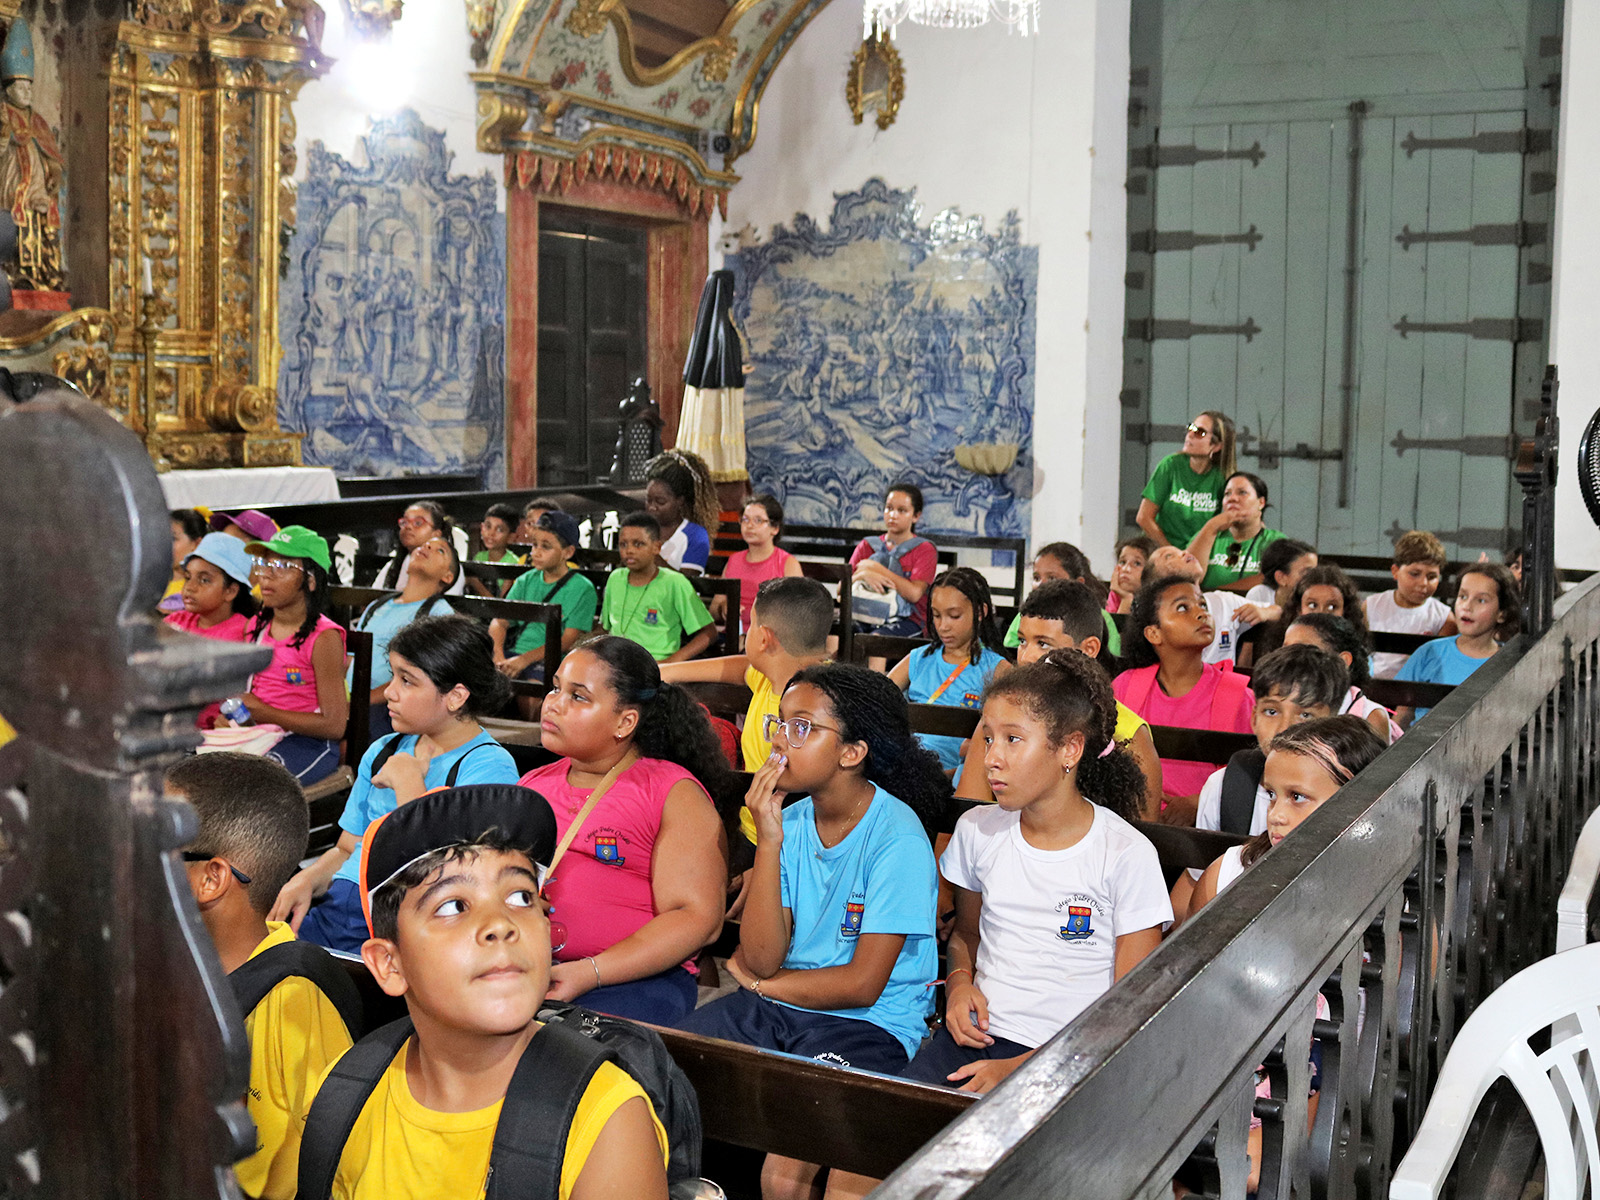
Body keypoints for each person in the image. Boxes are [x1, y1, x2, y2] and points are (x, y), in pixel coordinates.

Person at [298, 786, 670, 1200]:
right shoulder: (346, 1096)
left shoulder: (604, 1118)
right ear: (390, 964)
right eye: (453, 906)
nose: (500, 923)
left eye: (521, 897)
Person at [675, 664, 946, 1200]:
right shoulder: (792, 822)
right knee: (673, 1068)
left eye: (802, 727)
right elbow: (762, 954)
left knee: (783, 1175)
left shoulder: (897, 838)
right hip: (788, 1003)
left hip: (869, 1023)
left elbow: (861, 985)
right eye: (780, 723)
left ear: (852, 752)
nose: (780, 739)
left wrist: (761, 986)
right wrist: (769, 840)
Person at [904, 651, 1169, 1095]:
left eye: (1013, 739)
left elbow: (1128, 1010)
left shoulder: (1125, 854)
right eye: (988, 739)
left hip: (1077, 1055)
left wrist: (1017, 1070)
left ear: (1069, 749)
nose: (992, 758)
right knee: (884, 1129)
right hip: (977, 1038)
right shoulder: (977, 830)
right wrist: (959, 984)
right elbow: (966, 936)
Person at [1185, 716, 1386, 1192]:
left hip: (1323, 1073)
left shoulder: (1384, 893)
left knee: (1252, 1166)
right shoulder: (1228, 874)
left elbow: (1378, 1036)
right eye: (1271, 795)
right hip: (1225, 1056)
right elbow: (1189, 986)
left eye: (1298, 797)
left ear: (1360, 801)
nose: (1275, 814)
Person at [167, 753, 356, 1200]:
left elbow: (338, 1158)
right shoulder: (166, 954)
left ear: (211, 879)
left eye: (150, 846)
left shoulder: (295, 1000)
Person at [272, 615, 519, 952]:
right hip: (342, 907)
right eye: (393, 676)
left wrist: (409, 786)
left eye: (407, 681)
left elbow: (452, 874)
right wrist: (307, 879)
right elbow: (347, 848)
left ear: (456, 696)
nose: (389, 692)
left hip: (405, 923)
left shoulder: (487, 767)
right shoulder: (383, 750)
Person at [520, 636, 735, 1023]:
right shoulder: (533, 784)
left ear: (625, 722)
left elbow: (695, 918)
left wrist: (590, 972)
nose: (553, 703)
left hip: (635, 981)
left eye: (578, 696)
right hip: (529, 966)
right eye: (555, 688)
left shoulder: (670, 791)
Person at [957, 580, 1164, 819]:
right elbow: (968, 813)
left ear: (1088, 649)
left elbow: (1139, 829)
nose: (1026, 657)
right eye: (1022, 641)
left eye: (1043, 644)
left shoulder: (1129, 734)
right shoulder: (1000, 717)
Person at [1172, 644, 1349, 922]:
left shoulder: (1347, 787)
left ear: (1334, 721)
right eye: (1271, 712)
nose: (1286, 728)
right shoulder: (1226, 786)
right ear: (1253, 718)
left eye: (1305, 715)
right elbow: (1196, 883)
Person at [659, 575, 833, 839]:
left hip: (788, 842)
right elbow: (743, 668)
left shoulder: (819, 708)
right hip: (753, 829)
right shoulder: (772, 674)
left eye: (750, 626)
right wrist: (668, 671)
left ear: (764, 639)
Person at [1112, 572, 1255, 823]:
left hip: (1210, 832)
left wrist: (1200, 802)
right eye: (1182, 607)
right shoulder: (1125, 687)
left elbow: (1252, 776)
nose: (1201, 613)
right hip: (1130, 824)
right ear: (1154, 634)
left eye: (1202, 605)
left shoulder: (1239, 696)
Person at [240, 526, 349, 786]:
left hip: (309, 743)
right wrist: (239, 717)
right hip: (262, 732)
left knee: (256, 784)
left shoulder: (323, 638)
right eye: (265, 564)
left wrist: (265, 713)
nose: (267, 574)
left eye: (282, 566)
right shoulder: (255, 627)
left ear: (310, 580)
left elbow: (335, 726)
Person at [891, 567, 1011, 778]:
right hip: (906, 766)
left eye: (954, 616)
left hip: (962, 776)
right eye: (936, 615)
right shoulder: (918, 659)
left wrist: (955, 774)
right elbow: (877, 697)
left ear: (980, 612)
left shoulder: (997, 669)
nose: (943, 626)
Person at [350, 534, 459, 739]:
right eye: (425, 544)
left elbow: (423, 676)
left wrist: (363, 700)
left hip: (389, 706)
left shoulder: (439, 614)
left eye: (440, 550)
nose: (427, 547)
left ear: (447, 576)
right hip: (351, 698)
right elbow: (350, 659)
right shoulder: (377, 605)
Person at [1395, 563, 1520, 728]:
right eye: (1462, 596)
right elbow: (1403, 713)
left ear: (1502, 614)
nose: (1467, 607)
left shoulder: (1509, 663)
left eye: (1481, 600)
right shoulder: (1429, 652)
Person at [492, 510, 599, 692]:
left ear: (568, 552)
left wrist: (523, 660)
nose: (536, 552)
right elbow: (499, 622)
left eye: (546, 547)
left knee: (530, 695)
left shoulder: (583, 589)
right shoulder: (526, 580)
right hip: (513, 654)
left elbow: (567, 641)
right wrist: (499, 657)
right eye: (534, 545)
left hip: (551, 659)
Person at [600, 512, 715, 663]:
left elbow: (709, 632)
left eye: (638, 544)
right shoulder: (615, 578)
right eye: (623, 544)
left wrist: (671, 663)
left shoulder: (674, 582)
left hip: (657, 665)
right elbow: (604, 627)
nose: (629, 550)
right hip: (616, 664)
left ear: (657, 547)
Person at [1282, 613, 1402, 744]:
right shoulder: (1279, 700)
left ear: (1342, 661)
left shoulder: (1370, 717)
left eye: (1301, 651)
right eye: (1285, 649)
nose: (1288, 658)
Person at [1142, 544, 1262, 666]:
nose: (1184, 552)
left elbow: (1271, 610)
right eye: (1169, 556)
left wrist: (1266, 612)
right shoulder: (1151, 616)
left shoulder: (1223, 600)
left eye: (1202, 605)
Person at [1001, 541, 1121, 658]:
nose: (1041, 584)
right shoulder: (1027, 615)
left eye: (1052, 578)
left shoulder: (1101, 617)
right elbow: (1010, 651)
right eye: (1036, 578)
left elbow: (1113, 660)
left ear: (1078, 582)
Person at [849, 481, 937, 637]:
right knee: (835, 635)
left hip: (908, 620)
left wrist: (875, 568)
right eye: (889, 508)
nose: (893, 515)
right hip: (864, 614)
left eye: (902, 510)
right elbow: (841, 589)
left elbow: (914, 594)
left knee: (875, 640)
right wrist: (863, 574)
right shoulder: (867, 545)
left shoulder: (924, 549)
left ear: (916, 516)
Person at [1136, 411, 1235, 548]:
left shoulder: (1222, 477)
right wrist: (1171, 552)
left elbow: (1232, 519)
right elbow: (1144, 518)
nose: (1190, 435)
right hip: (1161, 549)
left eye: (1199, 432)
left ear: (1216, 446)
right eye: (1191, 428)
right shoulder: (1171, 465)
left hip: (1199, 552)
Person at [1365, 530, 1455, 679]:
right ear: (1395, 571)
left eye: (1431, 576)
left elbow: (1439, 668)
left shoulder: (1444, 618)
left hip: (1417, 687)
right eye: (1414, 574)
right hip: (1372, 685)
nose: (1423, 583)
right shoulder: (1371, 606)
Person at [720, 493, 802, 636]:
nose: (749, 525)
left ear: (775, 528)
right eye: (745, 519)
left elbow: (798, 611)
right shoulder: (733, 560)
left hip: (773, 638)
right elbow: (715, 607)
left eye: (758, 520)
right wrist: (724, 607)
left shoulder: (788, 563)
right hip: (733, 637)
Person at [1187, 471, 1283, 592]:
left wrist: (1218, 595)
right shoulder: (1206, 534)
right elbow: (1187, 577)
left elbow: (1271, 579)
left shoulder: (1275, 541)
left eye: (1242, 492)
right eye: (1227, 494)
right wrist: (1211, 526)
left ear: (1261, 502)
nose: (1232, 498)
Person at [166, 530, 259, 642]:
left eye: (204, 580)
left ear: (231, 591)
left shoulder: (241, 634)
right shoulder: (176, 621)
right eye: (188, 578)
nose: (189, 587)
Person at [645, 448, 719, 575]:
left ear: (680, 500)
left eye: (660, 502)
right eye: (648, 500)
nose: (652, 507)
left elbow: (686, 582)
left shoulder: (696, 536)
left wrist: (653, 557)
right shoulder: (641, 529)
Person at [373, 501, 466, 596]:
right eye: (404, 522)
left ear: (436, 534)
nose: (408, 527)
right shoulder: (394, 565)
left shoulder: (448, 569)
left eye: (418, 523)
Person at [468, 501, 524, 597]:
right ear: (482, 528)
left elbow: (501, 602)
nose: (491, 533)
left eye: (499, 530)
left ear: (511, 537)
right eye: (488, 526)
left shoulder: (514, 563)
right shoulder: (479, 557)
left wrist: (475, 583)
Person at [165, 507, 209, 611]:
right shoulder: (152, 586)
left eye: (173, 539)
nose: (164, 544)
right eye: (163, 538)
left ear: (197, 544)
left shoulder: (204, 591)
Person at [1106, 534, 1156, 614]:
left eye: (1137, 563)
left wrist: (1126, 599)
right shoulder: (1116, 594)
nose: (1125, 569)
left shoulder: (1157, 602)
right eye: (1122, 562)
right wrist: (1126, 599)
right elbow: (1112, 622)